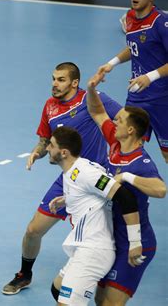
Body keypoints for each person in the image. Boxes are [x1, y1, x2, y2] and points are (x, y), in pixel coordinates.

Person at [1, 62, 122, 295]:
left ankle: (108, 276)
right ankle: (24, 274)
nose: (55, 84)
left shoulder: (93, 99)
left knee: (109, 233)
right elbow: (46, 140)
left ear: (74, 82)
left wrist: (121, 152)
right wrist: (38, 151)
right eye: (54, 79)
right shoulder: (50, 106)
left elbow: (124, 120)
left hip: (97, 180)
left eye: (61, 80)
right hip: (68, 179)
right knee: (33, 230)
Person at [86, 73, 166, 305]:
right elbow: (98, 112)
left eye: (119, 120)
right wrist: (91, 88)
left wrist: (128, 177)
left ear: (130, 130)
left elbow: (161, 190)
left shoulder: (141, 162)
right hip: (111, 238)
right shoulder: (115, 141)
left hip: (136, 243)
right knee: (101, 301)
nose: (114, 122)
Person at [46, 126, 144, 306]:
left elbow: (125, 197)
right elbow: (93, 193)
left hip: (93, 250)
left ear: (64, 152)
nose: (47, 149)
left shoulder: (85, 173)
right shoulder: (74, 171)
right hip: (82, 247)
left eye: (51, 145)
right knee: (57, 289)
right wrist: (67, 199)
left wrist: (135, 242)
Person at [96, 0, 168, 163]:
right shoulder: (129, 17)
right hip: (137, 96)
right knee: (126, 147)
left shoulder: (161, 22)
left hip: (162, 99)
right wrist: (111, 63)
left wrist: (149, 77)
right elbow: (134, 46)